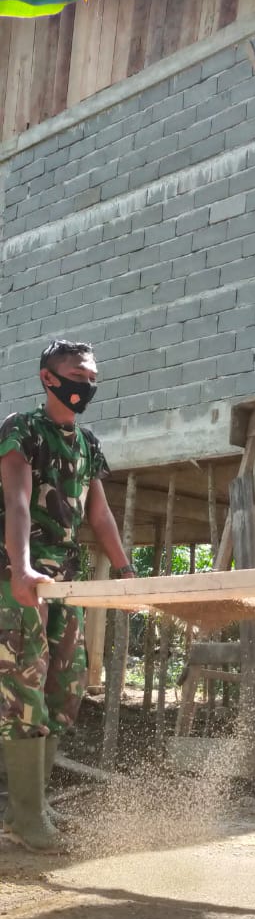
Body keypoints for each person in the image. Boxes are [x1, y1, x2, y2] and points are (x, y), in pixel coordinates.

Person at [0, 339, 135, 852]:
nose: (87, 385)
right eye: (78, 375)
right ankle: (28, 817)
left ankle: (30, 805)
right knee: (24, 690)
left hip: (64, 582)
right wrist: (21, 568)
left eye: (92, 377)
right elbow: (17, 502)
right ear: (48, 378)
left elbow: (99, 514)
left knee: (65, 688)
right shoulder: (22, 429)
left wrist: (125, 570)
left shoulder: (87, 444)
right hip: (20, 579)